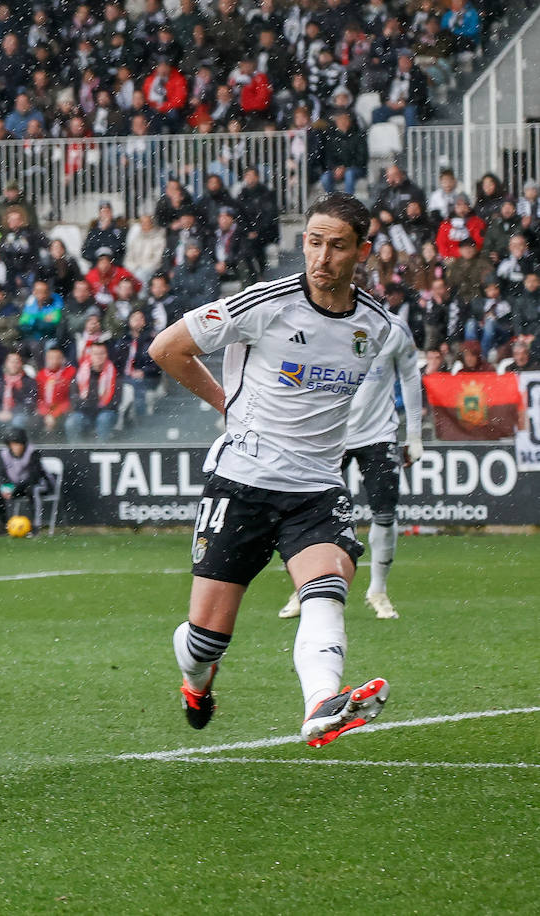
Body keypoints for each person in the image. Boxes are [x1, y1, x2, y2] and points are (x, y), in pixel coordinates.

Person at [147, 193, 395, 748]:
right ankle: (196, 680)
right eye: (313, 242)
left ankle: (321, 705)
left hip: (316, 492)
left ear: (362, 251)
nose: (322, 257)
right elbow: (168, 349)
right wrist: (225, 405)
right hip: (241, 484)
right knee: (205, 642)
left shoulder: (377, 325)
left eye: (337, 246)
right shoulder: (266, 303)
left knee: (327, 589)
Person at [279, 317, 423, 621]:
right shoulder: (318, 323)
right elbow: (295, 374)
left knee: (384, 513)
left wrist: (414, 435)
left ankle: (378, 591)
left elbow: (410, 377)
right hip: (330, 434)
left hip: (379, 435)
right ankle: (305, 587)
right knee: (313, 514)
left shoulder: (394, 328)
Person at [0, 427, 50, 538]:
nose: (16, 447)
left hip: (36, 486)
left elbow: (34, 477)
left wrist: (16, 488)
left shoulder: (33, 453)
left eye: (18, 444)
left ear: (23, 444)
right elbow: (2, 475)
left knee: (32, 490)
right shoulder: (4, 455)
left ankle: (35, 527)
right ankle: (4, 526)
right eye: (13, 444)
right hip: (15, 487)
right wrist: (6, 488)